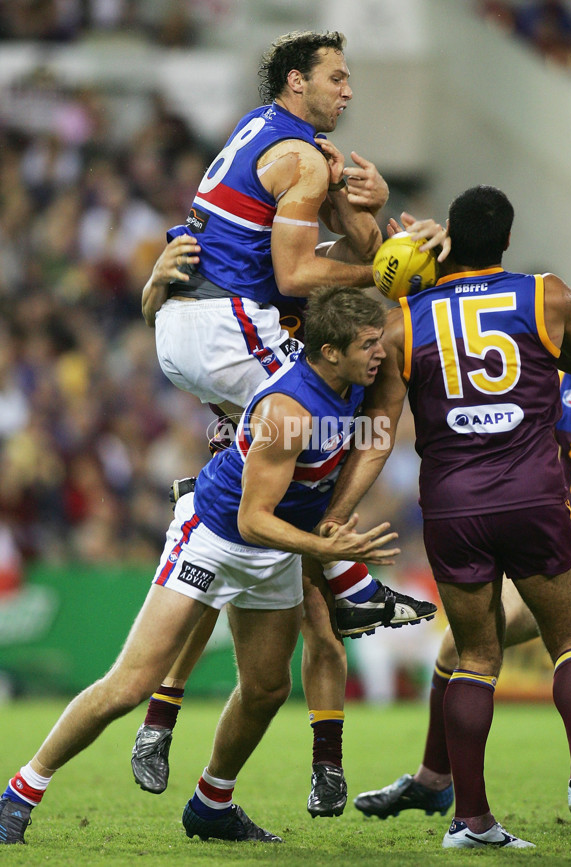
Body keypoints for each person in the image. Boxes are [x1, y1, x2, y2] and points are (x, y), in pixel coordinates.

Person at [133, 28, 439, 818]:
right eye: (336, 77)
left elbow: (333, 259)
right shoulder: (301, 157)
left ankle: (171, 714)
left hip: (196, 334)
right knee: (335, 429)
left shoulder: (275, 145)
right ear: (297, 82)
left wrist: (370, 218)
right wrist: (384, 262)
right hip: (229, 330)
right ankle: (344, 575)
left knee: (252, 516)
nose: (348, 90)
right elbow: (307, 275)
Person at [0, 287, 406, 846]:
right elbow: (252, 521)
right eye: (368, 345)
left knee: (266, 690)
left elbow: (376, 431)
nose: (380, 355)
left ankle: (211, 804)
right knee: (128, 686)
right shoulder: (289, 411)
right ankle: (20, 792)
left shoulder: (350, 385)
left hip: (277, 552)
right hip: (215, 537)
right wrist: (328, 550)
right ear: (330, 352)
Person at [321, 186, 571, 848]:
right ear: (507, 240)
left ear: (446, 239)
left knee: (474, 654)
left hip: (453, 506)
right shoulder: (544, 296)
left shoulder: (405, 324)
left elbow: (379, 432)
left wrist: (337, 510)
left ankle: (471, 821)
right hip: (536, 497)